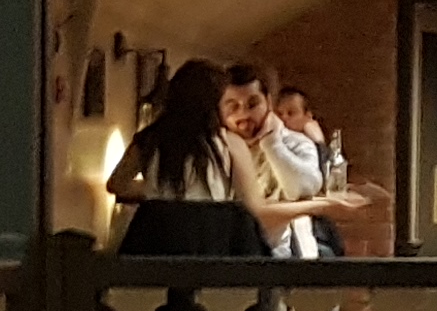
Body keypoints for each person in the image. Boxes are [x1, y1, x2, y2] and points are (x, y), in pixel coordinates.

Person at [111, 58, 355, 257]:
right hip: (210, 246)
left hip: (154, 245)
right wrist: (324, 206)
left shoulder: (148, 139)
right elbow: (255, 210)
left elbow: (116, 184)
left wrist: (160, 192)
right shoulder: (228, 143)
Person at [261, 85, 348, 259]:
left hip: (315, 229)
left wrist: (319, 146)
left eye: (291, 113)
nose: (284, 119)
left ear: (308, 117)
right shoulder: (267, 145)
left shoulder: (311, 146)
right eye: (279, 113)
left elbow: (322, 185)